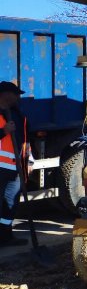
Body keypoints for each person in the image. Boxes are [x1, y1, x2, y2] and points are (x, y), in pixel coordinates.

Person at [0, 81, 33, 247]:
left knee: (11, 203)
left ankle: (5, 237)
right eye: (15, 94)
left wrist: (29, 159)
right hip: (1, 168)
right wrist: (3, 132)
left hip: (15, 166)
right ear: (5, 94)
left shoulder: (16, 114)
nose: (18, 97)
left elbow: (24, 138)